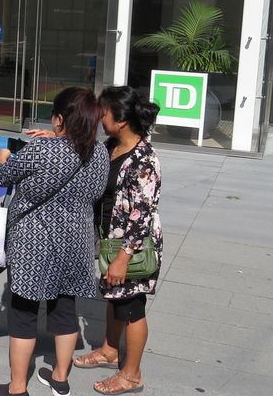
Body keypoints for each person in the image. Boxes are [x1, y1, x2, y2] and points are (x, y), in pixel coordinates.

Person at [0, 87, 109, 396]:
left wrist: (4, 157)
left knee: (24, 315)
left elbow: (3, 178)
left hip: (33, 245)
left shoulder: (40, 151)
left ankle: (16, 388)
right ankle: (60, 379)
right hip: (78, 243)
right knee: (65, 311)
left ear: (58, 119)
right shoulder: (100, 153)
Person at [71, 86, 162, 395]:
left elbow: (143, 214)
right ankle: (110, 350)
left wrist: (123, 257)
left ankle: (132, 373)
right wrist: (53, 139)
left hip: (131, 246)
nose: (100, 116)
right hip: (110, 240)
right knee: (114, 295)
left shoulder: (144, 160)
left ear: (121, 120)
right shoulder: (111, 145)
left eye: (104, 112)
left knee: (132, 306)